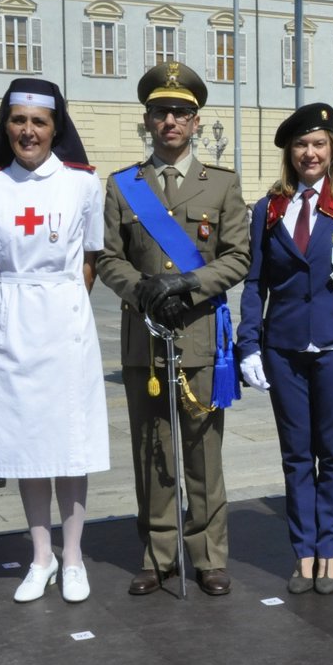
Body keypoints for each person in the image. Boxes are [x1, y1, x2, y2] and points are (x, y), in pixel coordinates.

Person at [97, 62, 249, 597]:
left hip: (200, 338)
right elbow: (108, 258)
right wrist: (140, 289)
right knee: (152, 451)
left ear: (196, 121)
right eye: (161, 112)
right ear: (147, 120)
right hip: (145, 338)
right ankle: (158, 552)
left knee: (204, 455)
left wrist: (187, 284)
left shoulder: (222, 186)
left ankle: (208, 554)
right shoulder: (122, 186)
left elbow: (237, 259)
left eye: (180, 113)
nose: (170, 122)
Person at [0, 78, 110, 603]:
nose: (29, 131)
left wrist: (62, 309)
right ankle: (40, 557)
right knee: (25, 443)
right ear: (6, 126)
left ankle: (73, 558)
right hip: (10, 315)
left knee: (68, 443)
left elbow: (90, 261)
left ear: (56, 128)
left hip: (63, 319)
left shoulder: (83, 185)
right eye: (19, 120)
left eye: (39, 122)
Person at [238, 103, 333, 595]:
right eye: (301, 145)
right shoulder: (268, 210)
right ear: (289, 154)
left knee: (332, 454)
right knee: (295, 455)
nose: (310, 153)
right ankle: (303, 550)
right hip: (284, 348)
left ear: (332, 152)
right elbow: (253, 283)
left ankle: (330, 550)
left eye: (319, 144)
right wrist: (250, 344)